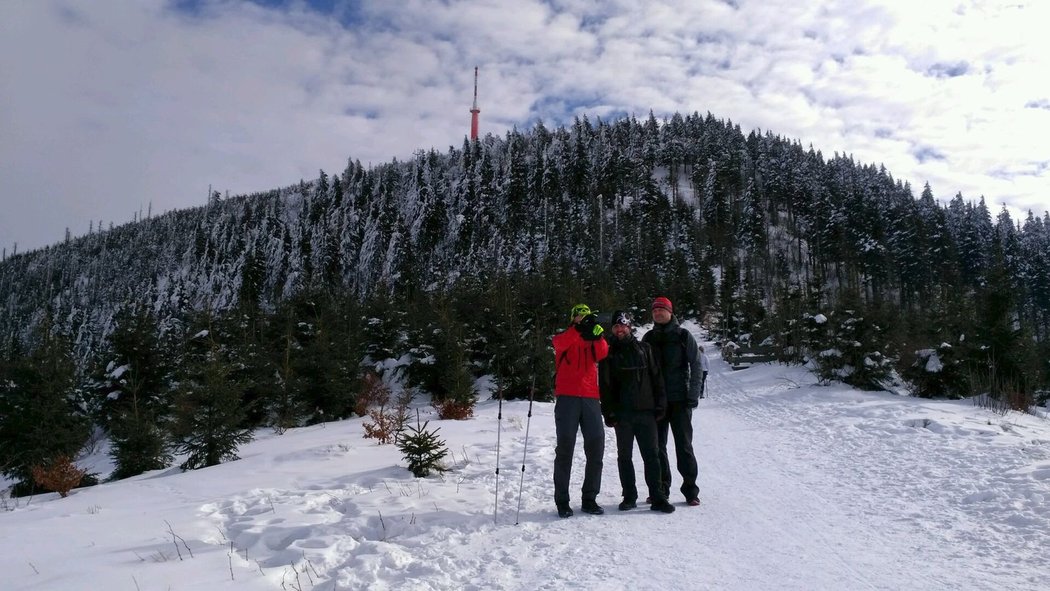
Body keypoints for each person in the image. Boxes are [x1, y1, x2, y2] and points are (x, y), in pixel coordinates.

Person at [598, 310, 675, 514]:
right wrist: (608, 412)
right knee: (625, 457)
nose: (620, 329)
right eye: (616, 327)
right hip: (622, 415)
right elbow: (604, 386)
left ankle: (658, 496)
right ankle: (629, 496)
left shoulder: (645, 349)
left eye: (623, 326)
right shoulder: (609, 353)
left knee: (652, 455)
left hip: (646, 412)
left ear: (629, 327)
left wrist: (661, 405)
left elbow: (657, 378)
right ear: (612, 330)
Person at [642, 296, 703, 506]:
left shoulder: (683, 336)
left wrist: (693, 394)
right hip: (656, 402)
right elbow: (642, 371)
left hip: (680, 401)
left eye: (662, 310)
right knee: (657, 447)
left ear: (670, 312)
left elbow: (696, 365)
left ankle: (690, 491)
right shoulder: (648, 338)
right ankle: (661, 489)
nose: (658, 313)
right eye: (655, 311)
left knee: (684, 446)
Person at [551, 303, 609, 518]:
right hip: (567, 397)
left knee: (596, 447)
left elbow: (602, 353)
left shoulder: (590, 338)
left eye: (586, 315)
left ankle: (589, 498)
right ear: (573, 318)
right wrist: (577, 329)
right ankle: (562, 501)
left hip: (591, 397)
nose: (583, 318)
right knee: (565, 449)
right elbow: (559, 344)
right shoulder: (565, 336)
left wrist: (599, 336)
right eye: (579, 315)